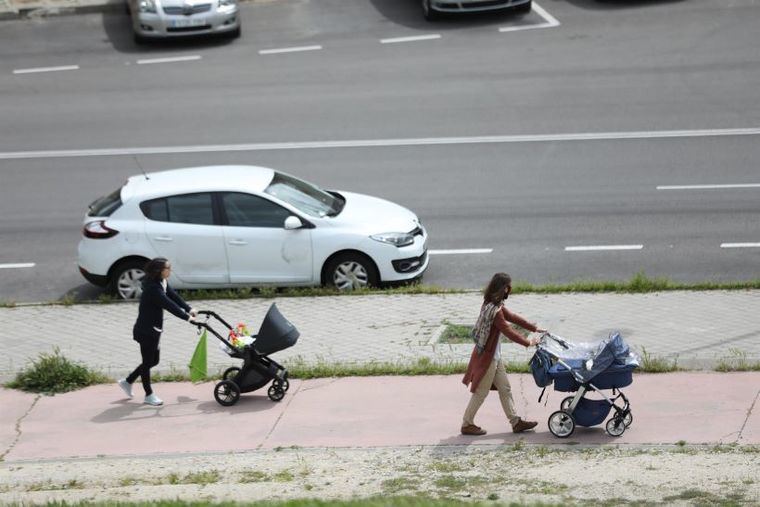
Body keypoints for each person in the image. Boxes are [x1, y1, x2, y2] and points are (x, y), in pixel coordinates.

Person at [461, 272, 546, 435]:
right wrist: (528, 342)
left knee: (505, 388)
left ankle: (516, 422)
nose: (510, 289)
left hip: (494, 358)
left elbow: (513, 317)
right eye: (508, 287)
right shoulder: (495, 311)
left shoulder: (491, 304)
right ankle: (467, 424)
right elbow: (508, 330)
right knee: (481, 393)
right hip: (488, 359)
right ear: (503, 288)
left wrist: (534, 328)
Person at [117, 258, 197, 406]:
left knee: (154, 360)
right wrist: (187, 318)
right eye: (168, 268)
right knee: (148, 362)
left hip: (154, 329)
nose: (170, 271)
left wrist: (188, 308)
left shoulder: (162, 282)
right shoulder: (153, 289)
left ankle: (127, 381)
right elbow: (169, 305)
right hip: (146, 331)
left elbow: (173, 296)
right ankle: (148, 394)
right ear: (159, 271)